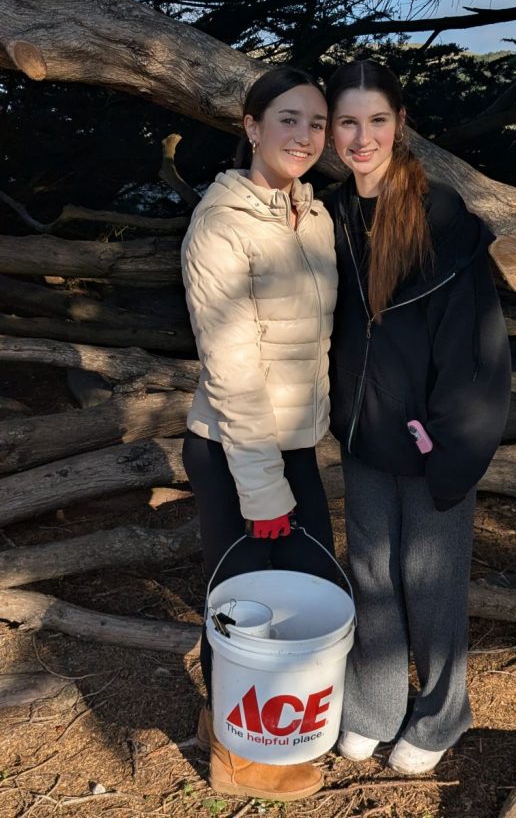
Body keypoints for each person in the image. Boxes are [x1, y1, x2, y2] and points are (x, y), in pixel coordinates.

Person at [324, 59, 511, 774]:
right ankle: (373, 705)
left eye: (377, 120)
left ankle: (439, 715)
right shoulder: (333, 214)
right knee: (372, 575)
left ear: (400, 124)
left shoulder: (439, 214)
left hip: (433, 438)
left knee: (430, 583)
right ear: (333, 129)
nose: (362, 136)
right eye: (349, 121)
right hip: (364, 434)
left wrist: (453, 448)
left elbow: (472, 345)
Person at [181, 66, 338, 801]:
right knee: (243, 606)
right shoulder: (221, 224)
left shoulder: (313, 215)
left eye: (315, 122)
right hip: (235, 450)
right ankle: (235, 756)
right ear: (250, 125)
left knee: (299, 596)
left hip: (294, 444)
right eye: (287, 119)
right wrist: (263, 486)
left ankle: (276, 734)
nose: (303, 136)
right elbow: (232, 368)